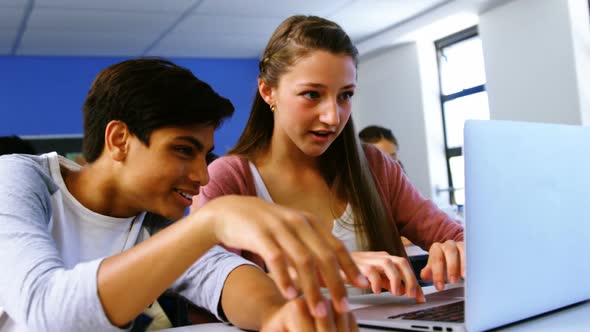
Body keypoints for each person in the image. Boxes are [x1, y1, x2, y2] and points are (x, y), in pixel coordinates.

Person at [0, 58, 367, 332]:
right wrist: (210, 222)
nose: (201, 175)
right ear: (119, 140)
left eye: (205, 156)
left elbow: (221, 275)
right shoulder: (17, 178)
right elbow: (45, 310)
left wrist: (278, 316)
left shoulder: (152, 220)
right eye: (182, 150)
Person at [195, 15, 465, 301]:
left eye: (345, 96)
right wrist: (331, 268)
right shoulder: (229, 178)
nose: (332, 117)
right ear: (267, 91)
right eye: (312, 94)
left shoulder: (375, 166)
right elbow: (212, 285)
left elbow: (459, 238)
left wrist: (458, 251)